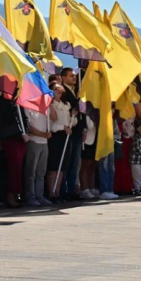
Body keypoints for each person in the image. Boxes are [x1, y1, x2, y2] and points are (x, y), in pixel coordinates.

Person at [0, 94, 29, 207]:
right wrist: (13, 106)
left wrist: (26, 132)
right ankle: (10, 195)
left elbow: (24, 117)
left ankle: (18, 193)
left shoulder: (19, 99)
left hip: (21, 138)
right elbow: (4, 119)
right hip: (10, 137)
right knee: (13, 167)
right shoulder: (2, 101)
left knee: (19, 168)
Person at [60, 68, 84, 201]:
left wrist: (84, 128)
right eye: (70, 76)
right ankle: (63, 190)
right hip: (67, 131)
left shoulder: (78, 91)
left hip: (77, 131)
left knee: (75, 163)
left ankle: (73, 189)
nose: (73, 78)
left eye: (74, 76)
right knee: (67, 161)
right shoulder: (62, 91)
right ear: (63, 78)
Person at [46, 84, 73, 203]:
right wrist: (63, 127)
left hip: (65, 136)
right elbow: (51, 124)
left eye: (60, 89)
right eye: (55, 89)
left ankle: (57, 192)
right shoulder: (49, 105)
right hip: (55, 136)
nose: (59, 91)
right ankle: (51, 193)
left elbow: (68, 120)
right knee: (54, 166)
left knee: (62, 166)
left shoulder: (66, 105)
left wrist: (73, 120)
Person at [24, 104, 52, 207]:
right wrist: (43, 134)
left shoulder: (45, 105)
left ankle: (39, 195)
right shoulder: (28, 106)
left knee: (41, 172)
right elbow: (28, 126)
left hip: (44, 143)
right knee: (31, 172)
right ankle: (30, 196)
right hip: (33, 141)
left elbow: (54, 118)